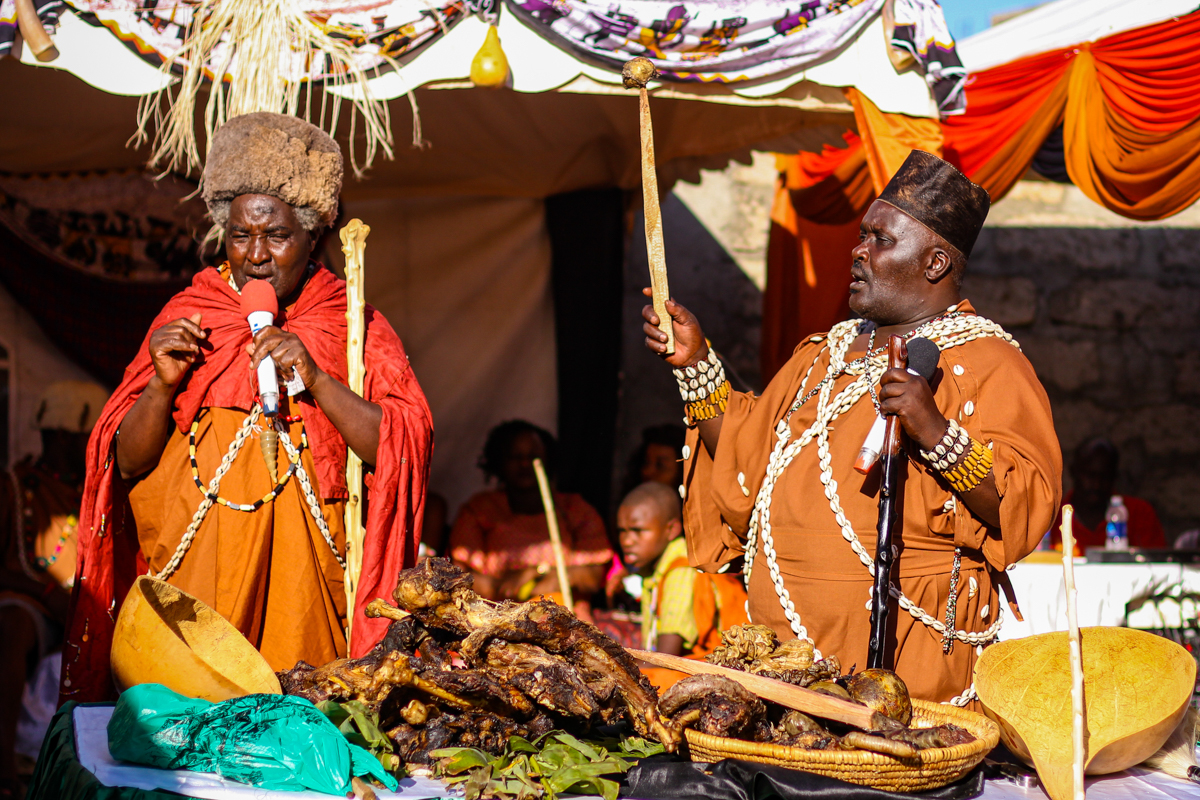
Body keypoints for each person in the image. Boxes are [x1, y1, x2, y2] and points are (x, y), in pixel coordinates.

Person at [641, 150, 1062, 705]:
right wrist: (696, 364)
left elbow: (1025, 502)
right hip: (782, 661)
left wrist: (933, 429)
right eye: (862, 235)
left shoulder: (988, 362)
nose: (857, 251)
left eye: (880, 239)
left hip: (902, 663)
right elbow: (747, 456)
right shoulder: (826, 350)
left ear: (935, 264)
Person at [62, 113, 434, 704]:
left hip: (307, 598)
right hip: (194, 596)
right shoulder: (191, 311)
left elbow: (401, 440)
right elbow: (125, 465)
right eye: (240, 236)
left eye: (277, 236)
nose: (256, 255)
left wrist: (314, 376)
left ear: (314, 236)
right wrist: (161, 387)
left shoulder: (351, 321)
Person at [1, 381, 108, 796]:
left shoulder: (96, 491)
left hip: (83, 615)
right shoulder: (14, 485)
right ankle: (5, 772)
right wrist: (46, 596)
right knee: (12, 625)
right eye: (87, 437)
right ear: (64, 436)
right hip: (33, 608)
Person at [448, 420, 610, 618]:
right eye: (516, 457)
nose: (525, 464)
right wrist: (508, 585)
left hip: (568, 620)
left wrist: (534, 575)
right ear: (500, 461)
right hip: (498, 622)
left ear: (548, 460)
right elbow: (463, 580)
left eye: (533, 457)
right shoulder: (479, 510)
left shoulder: (574, 509)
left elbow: (593, 576)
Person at [617, 482, 746, 657]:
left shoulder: (681, 570)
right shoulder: (656, 569)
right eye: (622, 531)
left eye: (638, 530)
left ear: (671, 530)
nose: (626, 541)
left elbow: (667, 657)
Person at [1050, 437, 1165, 553]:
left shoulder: (1139, 514)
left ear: (1115, 477)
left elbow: (1158, 566)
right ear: (1073, 472)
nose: (1096, 485)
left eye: (1104, 477)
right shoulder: (1051, 517)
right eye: (1090, 476)